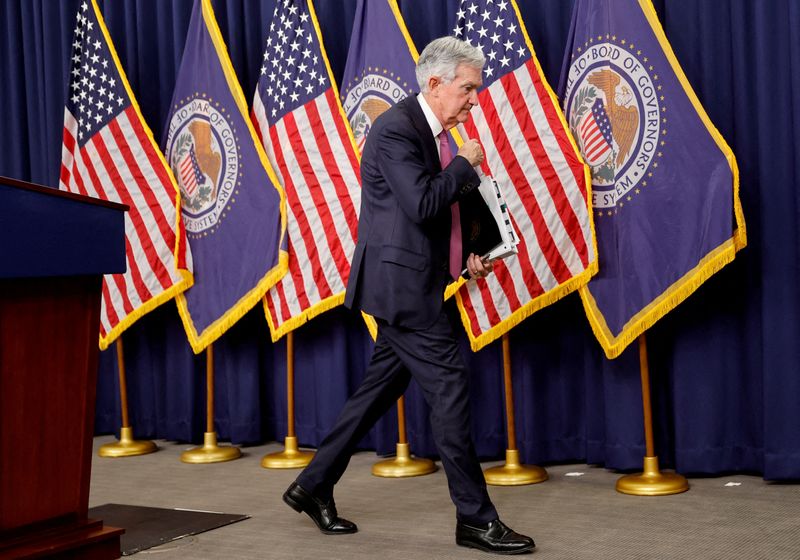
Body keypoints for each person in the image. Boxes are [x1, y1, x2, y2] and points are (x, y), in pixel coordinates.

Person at [282, 36, 535, 555]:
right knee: (451, 392)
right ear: (435, 84)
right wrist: (464, 164)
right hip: (403, 291)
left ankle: (312, 486)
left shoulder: (434, 131)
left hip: (420, 282)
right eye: (467, 88)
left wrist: (462, 255)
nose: (473, 99)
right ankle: (475, 519)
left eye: (476, 89)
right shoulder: (396, 129)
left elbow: (423, 219)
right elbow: (422, 203)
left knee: (374, 395)